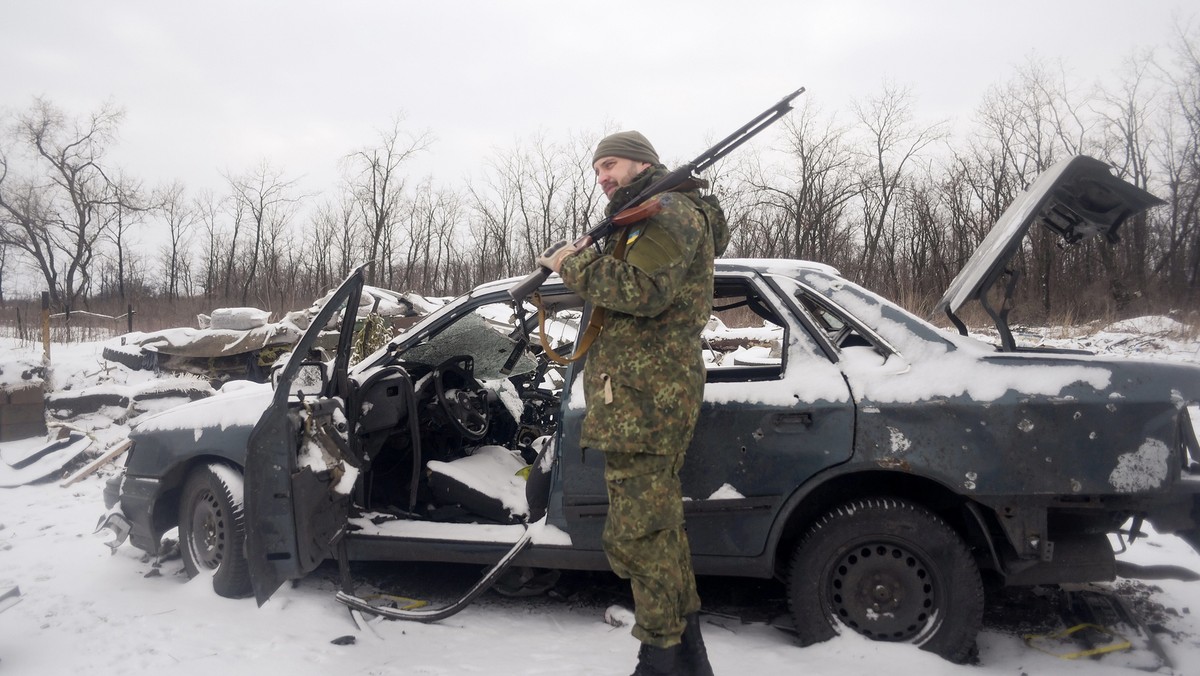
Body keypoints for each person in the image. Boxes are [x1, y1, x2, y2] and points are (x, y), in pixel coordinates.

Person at [537, 131, 728, 676]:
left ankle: (660, 659)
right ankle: (687, 659)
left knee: (640, 532)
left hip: (647, 398)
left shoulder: (668, 210)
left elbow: (644, 290)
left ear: (643, 163)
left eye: (612, 164)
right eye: (597, 169)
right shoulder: (646, 215)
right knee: (656, 529)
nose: (603, 177)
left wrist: (570, 265)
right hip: (640, 395)